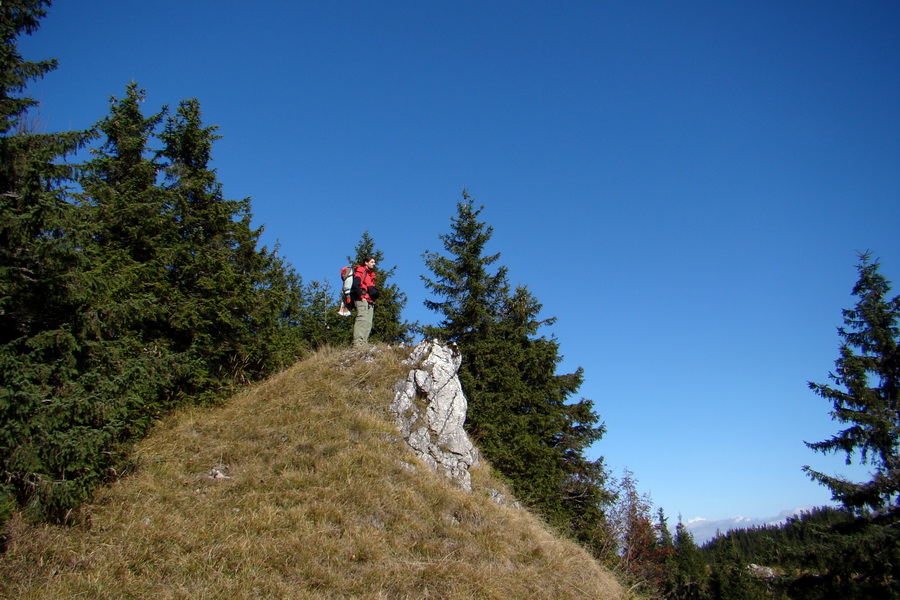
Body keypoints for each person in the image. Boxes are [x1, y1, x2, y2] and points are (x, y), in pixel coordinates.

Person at [350, 256, 378, 347]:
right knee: (362, 319)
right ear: (366, 262)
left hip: (369, 300)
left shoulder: (370, 275)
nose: (374, 264)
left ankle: (364, 343)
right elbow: (356, 284)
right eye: (372, 262)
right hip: (362, 298)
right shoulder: (360, 270)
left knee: (368, 321)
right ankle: (357, 343)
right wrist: (361, 296)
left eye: (374, 262)